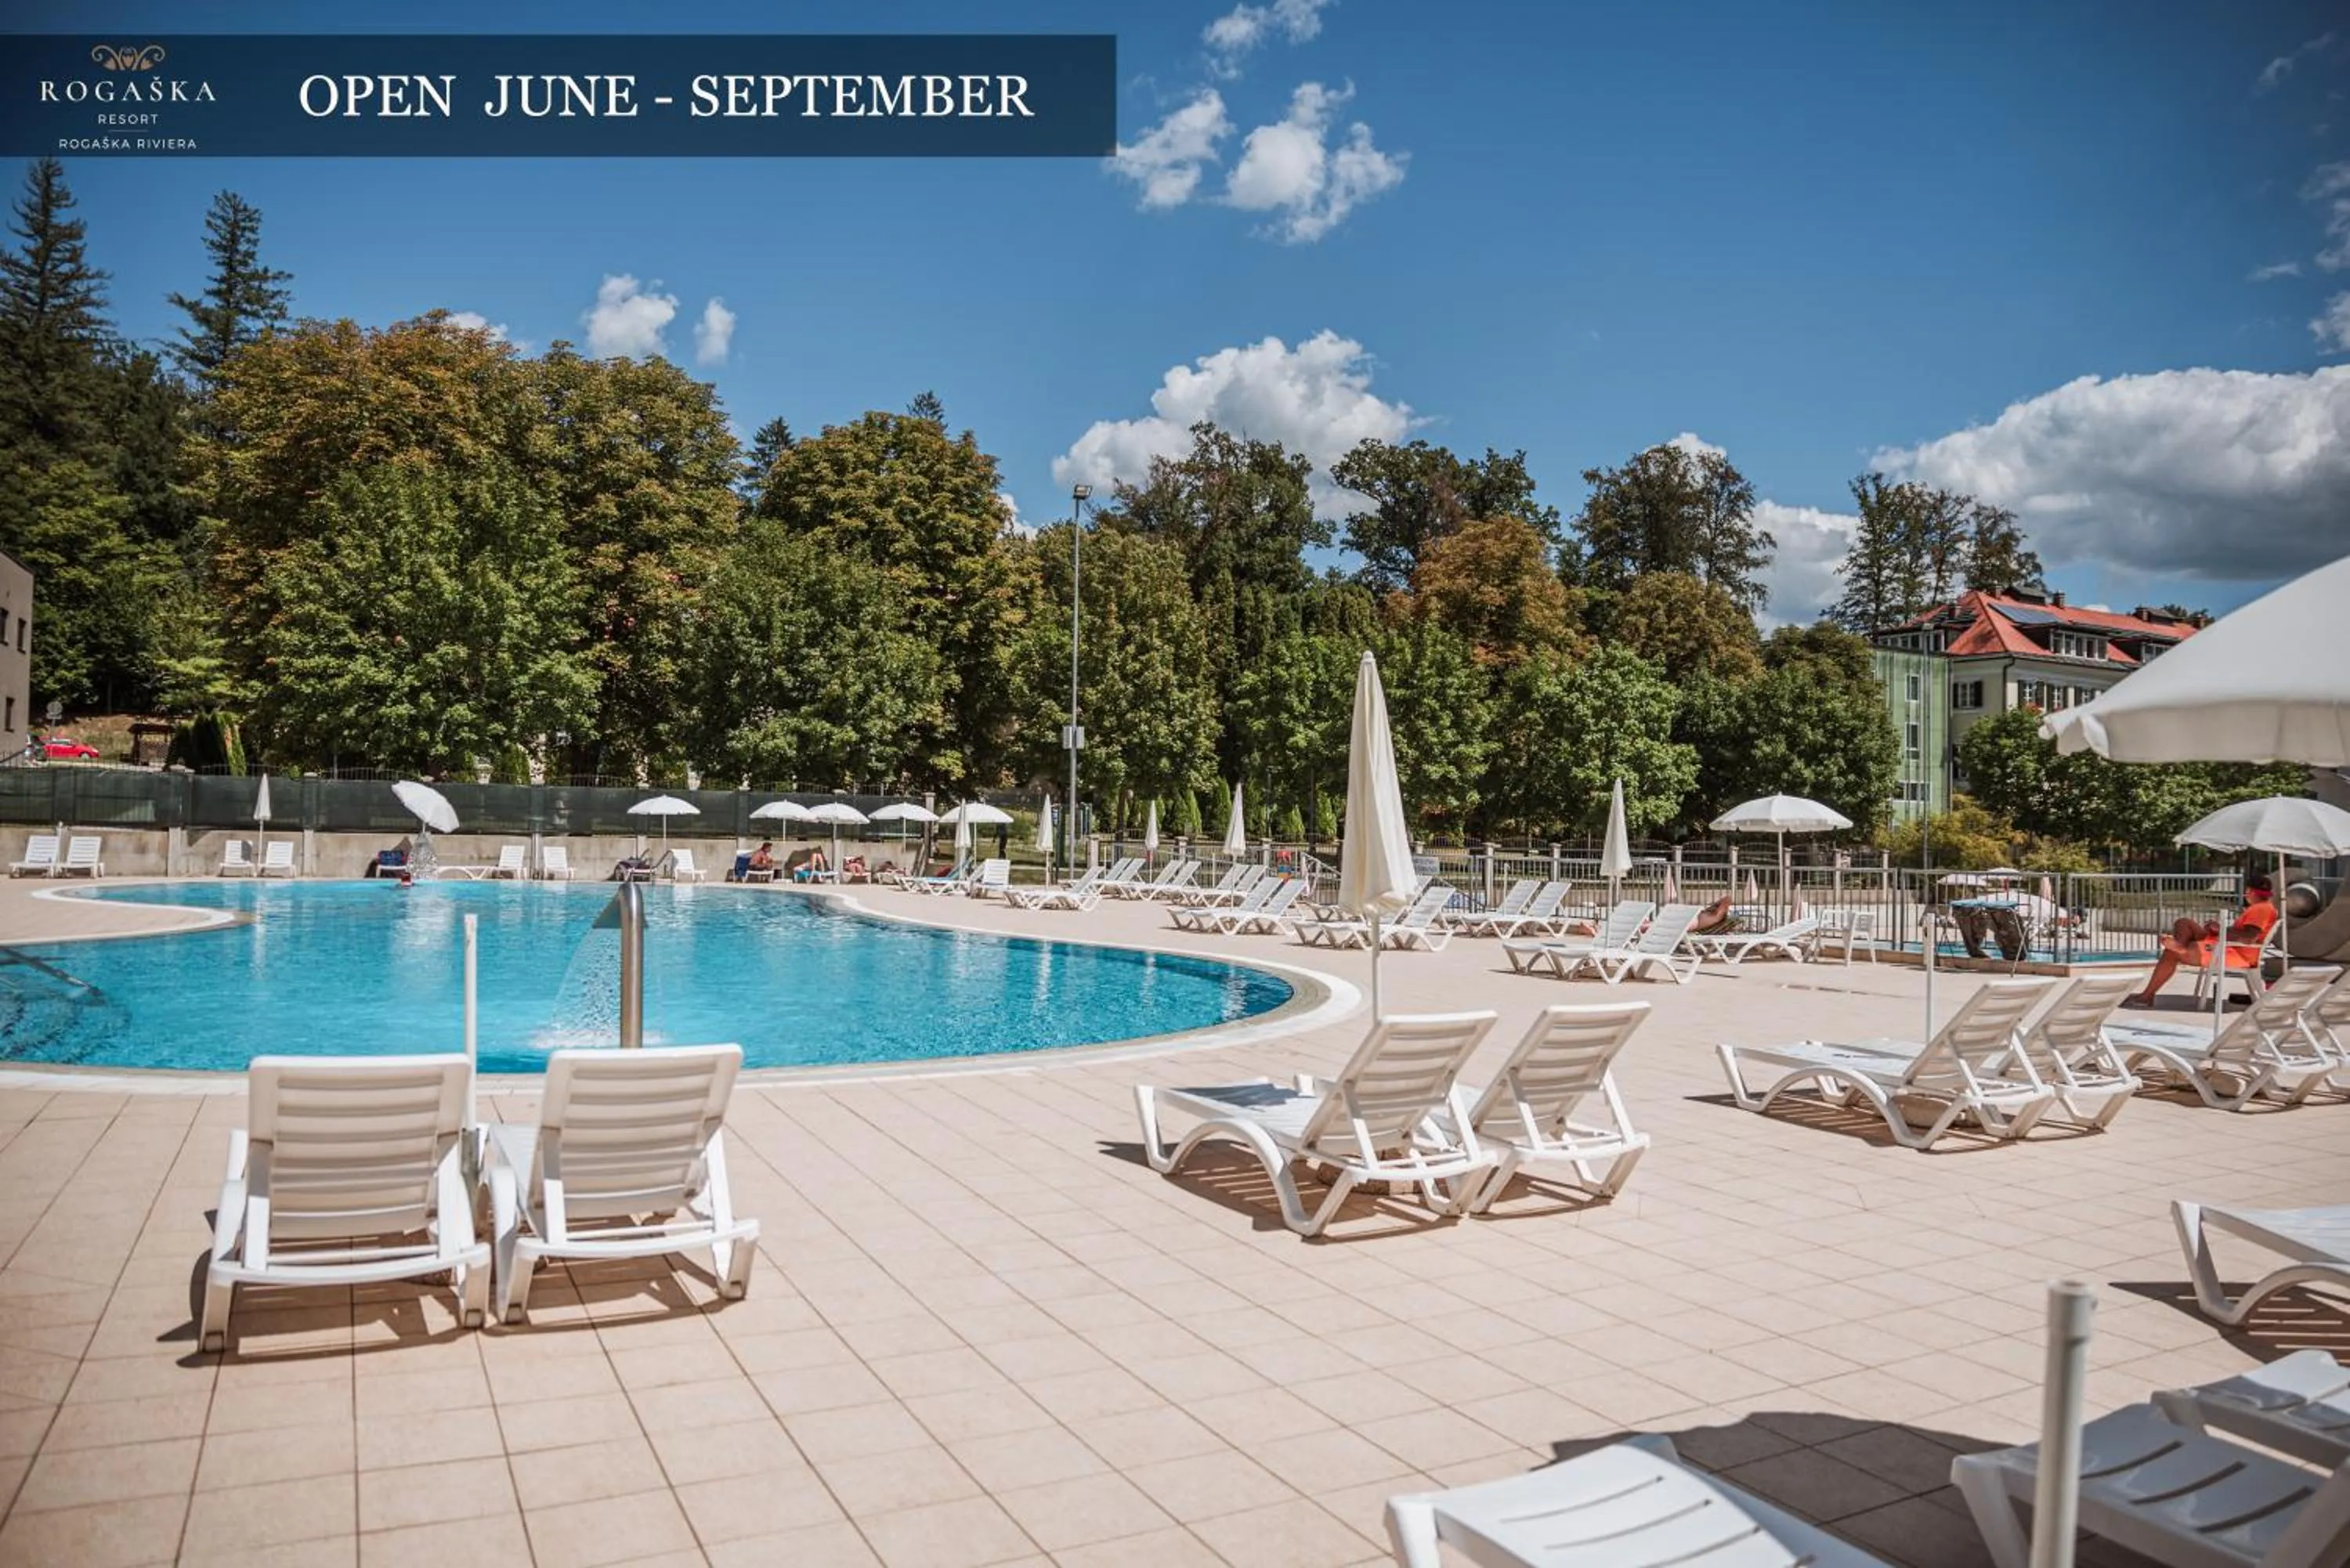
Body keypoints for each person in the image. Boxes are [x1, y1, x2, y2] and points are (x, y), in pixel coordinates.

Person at [2125, 873, 2279, 1007]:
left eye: (2247, 891)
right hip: (2226, 945)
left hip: (2233, 954)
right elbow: (2244, 932)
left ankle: (2147, 996)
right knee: (2184, 923)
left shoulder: (2261, 909)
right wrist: (2218, 928)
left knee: (2171, 953)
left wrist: (2221, 930)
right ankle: (2181, 945)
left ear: (2250, 891)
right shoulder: (2263, 907)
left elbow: (2249, 937)